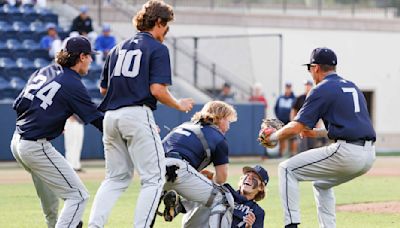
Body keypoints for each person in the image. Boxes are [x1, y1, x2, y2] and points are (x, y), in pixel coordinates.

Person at [87, 1, 195, 227]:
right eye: (167, 25)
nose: (167, 31)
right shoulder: (157, 48)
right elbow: (157, 90)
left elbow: (104, 89)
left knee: (115, 178)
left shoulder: (118, 48)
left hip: (111, 117)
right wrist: (178, 105)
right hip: (136, 114)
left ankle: (95, 225)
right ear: (158, 22)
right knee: (154, 179)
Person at [262, 47, 376, 228]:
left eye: (309, 68)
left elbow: (297, 125)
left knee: (286, 169)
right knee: (321, 184)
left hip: (346, 153)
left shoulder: (322, 88)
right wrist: (316, 133)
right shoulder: (352, 86)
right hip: (369, 156)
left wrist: (274, 136)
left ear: (315, 68)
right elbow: (353, 126)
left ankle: (291, 225)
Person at [10, 36, 104, 228]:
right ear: (81, 57)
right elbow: (97, 120)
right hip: (35, 145)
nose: (92, 60)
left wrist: (47, 119)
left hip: (17, 140)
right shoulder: (73, 83)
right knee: (78, 196)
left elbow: (19, 105)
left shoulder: (44, 70)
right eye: (89, 56)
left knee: (51, 204)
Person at [161, 100, 237, 227]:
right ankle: (181, 206)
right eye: (228, 120)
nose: (229, 125)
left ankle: (178, 204)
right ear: (220, 118)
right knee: (222, 197)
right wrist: (210, 177)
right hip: (178, 170)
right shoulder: (218, 138)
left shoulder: (184, 126)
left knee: (203, 194)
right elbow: (221, 178)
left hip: (154, 170)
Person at [290, 80, 316, 152]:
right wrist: (293, 122)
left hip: (311, 125)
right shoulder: (300, 98)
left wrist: (319, 123)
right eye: (306, 85)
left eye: (309, 85)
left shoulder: (314, 98)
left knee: (311, 145)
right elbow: (293, 110)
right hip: (301, 125)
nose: (307, 87)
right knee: (302, 145)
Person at [274, 82, 297, 157]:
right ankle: (281, 153)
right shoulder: (280, 98)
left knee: (292, 137)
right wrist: (278, 117)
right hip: (281, 121)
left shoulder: (294, 98)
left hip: (291, 121)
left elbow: (297, 109)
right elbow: (276, 108)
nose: (288, 89)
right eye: (287, 87)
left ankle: (293, 153)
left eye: (289, 88)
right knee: (281, 136)